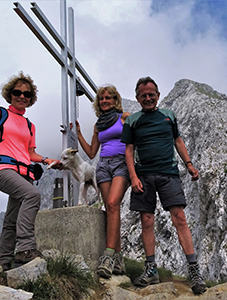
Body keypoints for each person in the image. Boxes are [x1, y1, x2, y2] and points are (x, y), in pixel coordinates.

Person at [0, 72, 61, 271]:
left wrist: (46, 159)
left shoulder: (30, 126)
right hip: (2, 169)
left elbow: (29, 153)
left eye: (27, 94)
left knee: (11, 219)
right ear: (10, 94)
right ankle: (25, 249)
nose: (22, 96)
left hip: (24, 173)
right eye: (17, 92)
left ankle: (2, 263)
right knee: (32, 195)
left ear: (31, 99)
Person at [121, 76, 207, 295]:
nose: (148, 98)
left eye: (151, 94)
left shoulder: (169, 116)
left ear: (158, 96)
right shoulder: (132, 121)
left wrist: (189, 165)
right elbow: (128, 149)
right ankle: (151, 269)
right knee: (146, 220)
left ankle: (194, 271)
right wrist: (133, 177)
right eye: (144, 95)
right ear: (138, 98)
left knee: (180, 218)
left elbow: (177, 140)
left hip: (169, 173)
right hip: (143, 176)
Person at [71, 85, 130, 278]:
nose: (104, 101)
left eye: (108, 98)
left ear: (115, 100)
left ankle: (108, 256)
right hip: (103, 165)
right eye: (101, 99)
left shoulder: (125, 117)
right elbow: (91, 152)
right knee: (110, 209)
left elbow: (138, 136)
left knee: (113, 203)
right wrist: (79, 133)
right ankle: (119, 260)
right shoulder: (98, 125)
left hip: (122, 163)